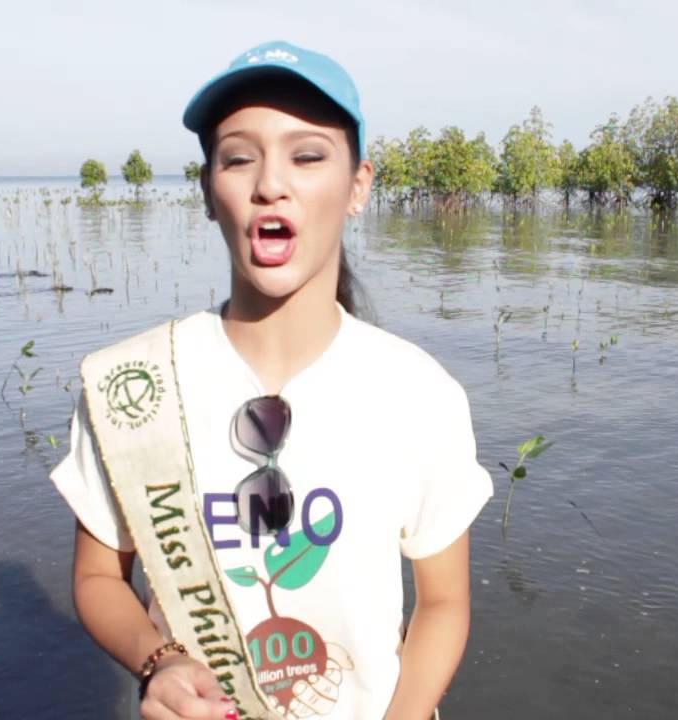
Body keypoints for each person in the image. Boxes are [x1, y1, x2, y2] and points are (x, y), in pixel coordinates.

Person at [50, 40, 492, 720]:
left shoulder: (417, 392)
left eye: (308, 155)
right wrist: (157, 661)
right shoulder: (130, 385)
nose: (270, 184)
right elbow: (97, 575)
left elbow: (443, 602)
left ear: (358, 185)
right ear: (207, 191)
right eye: (238, 157)